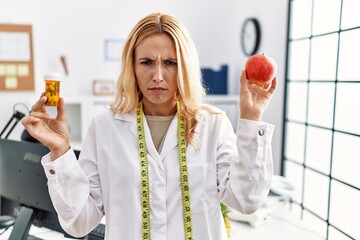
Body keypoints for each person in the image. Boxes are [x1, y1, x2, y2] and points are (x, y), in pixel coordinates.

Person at [22, 12, 277, 240]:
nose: (157, 75)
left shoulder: (213, 125)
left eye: (169, 63)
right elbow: (79, 223)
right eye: (146, 62)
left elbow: (246, 200)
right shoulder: (104, 128)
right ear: (132, 67)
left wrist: (251, 119)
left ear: (184, 67)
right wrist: (61, 152)